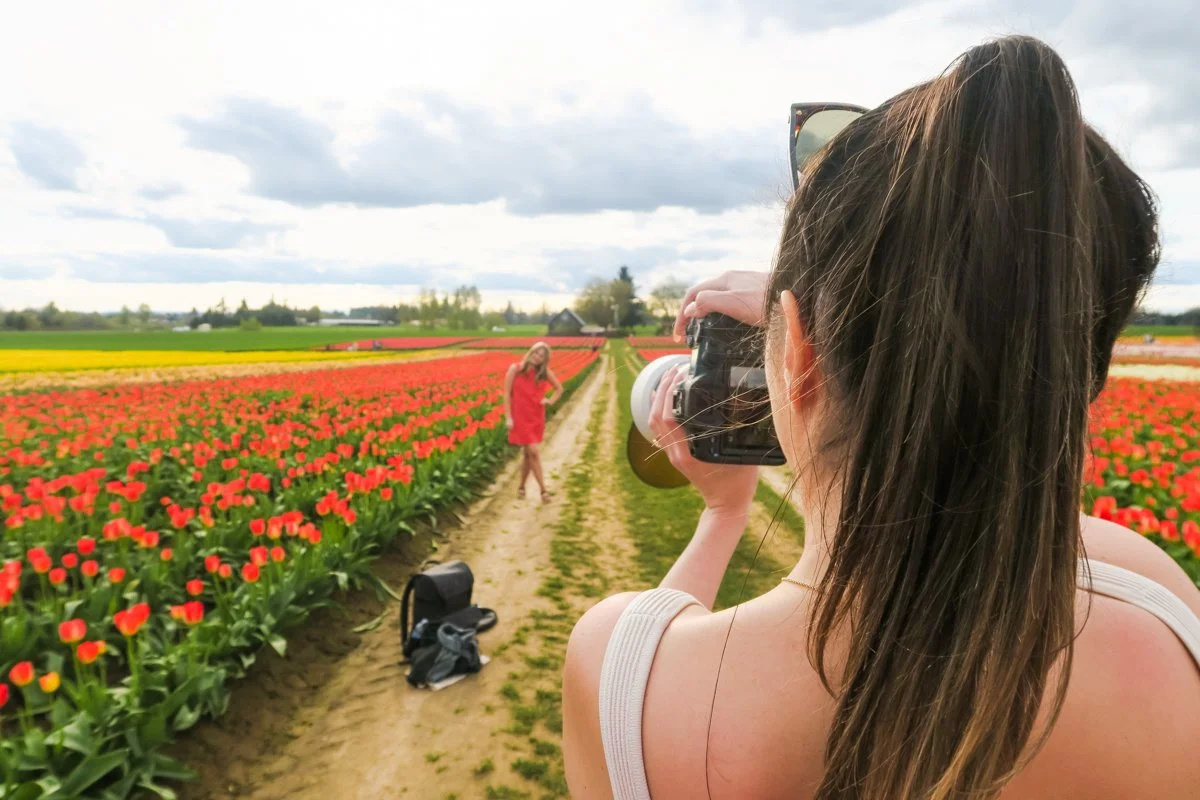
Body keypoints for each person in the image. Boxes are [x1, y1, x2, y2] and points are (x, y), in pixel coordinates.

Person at [563, 36, 1200, 800]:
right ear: (1079, 374)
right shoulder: (1159, 609)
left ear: (796, 352)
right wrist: (856, 317)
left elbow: (648, 663)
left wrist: (721, 515)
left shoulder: (624, 677)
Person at [505, 342, 563, 503]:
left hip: (535, 416)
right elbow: (507, 395)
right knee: (533, 451)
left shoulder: (543, 373)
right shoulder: (514, 369)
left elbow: (559, 388)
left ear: (544, 360)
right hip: (519, 417)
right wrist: (508, 417)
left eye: (541, 356)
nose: (537, 357)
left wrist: (549, 401)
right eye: (536, 353)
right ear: (531, 351)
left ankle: (522, 486)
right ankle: (543, 491)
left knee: (529, 454)